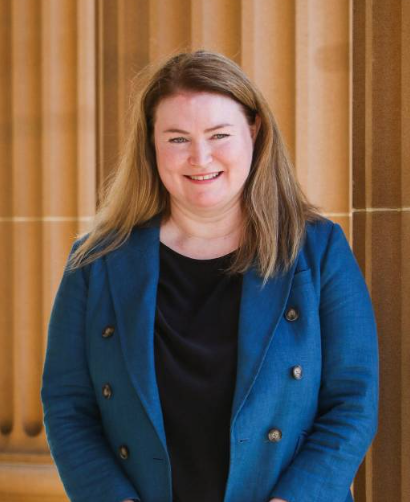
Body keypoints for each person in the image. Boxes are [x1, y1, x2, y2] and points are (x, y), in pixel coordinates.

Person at [41, 50, 379, 502]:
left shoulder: (318, 251)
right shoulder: (96, 261)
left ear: (254, 131)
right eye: (177, 138)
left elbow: (353, 401)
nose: (200, 158)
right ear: (151, 143)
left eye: (219, 134)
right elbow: (67, 405)